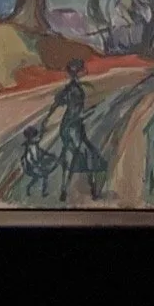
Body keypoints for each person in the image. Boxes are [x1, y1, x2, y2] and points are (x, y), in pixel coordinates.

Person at [41, 57, 106, 201]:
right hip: (74, 125)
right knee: (85, 154)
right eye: (82, 69)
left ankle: (67, 189)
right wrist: (89, 112)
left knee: (73, 154)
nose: (85, 71)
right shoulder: (76, 90)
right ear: (78, 72)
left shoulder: (67, 89)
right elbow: (77, 112)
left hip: (66, 126)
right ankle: (90, 189)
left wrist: (47, 119)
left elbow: (56, 104)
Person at [19, 126, 59, 198]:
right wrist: (37, 165)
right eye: (33, 136)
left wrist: (49, 154)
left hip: (36, 163)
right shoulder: (29, 147)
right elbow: (29, 159)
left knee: (37, 177)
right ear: (30, 137)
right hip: (30, 167)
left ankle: (29, 187)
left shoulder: (34, 144)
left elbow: (41, 149)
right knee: (43, 175)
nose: (35, 138)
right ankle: (43, 192)